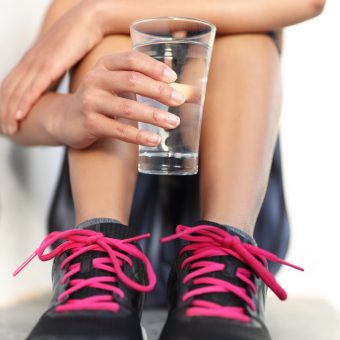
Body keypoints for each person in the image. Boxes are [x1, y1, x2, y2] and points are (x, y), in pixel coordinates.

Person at [0, 0, 325, 339]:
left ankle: (223, 265)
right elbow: (12, 111)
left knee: (249, 39)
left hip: (234, 231)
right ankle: (100, 258)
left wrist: (97, 15)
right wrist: (66, 114)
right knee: (110, 48)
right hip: (101, 248)